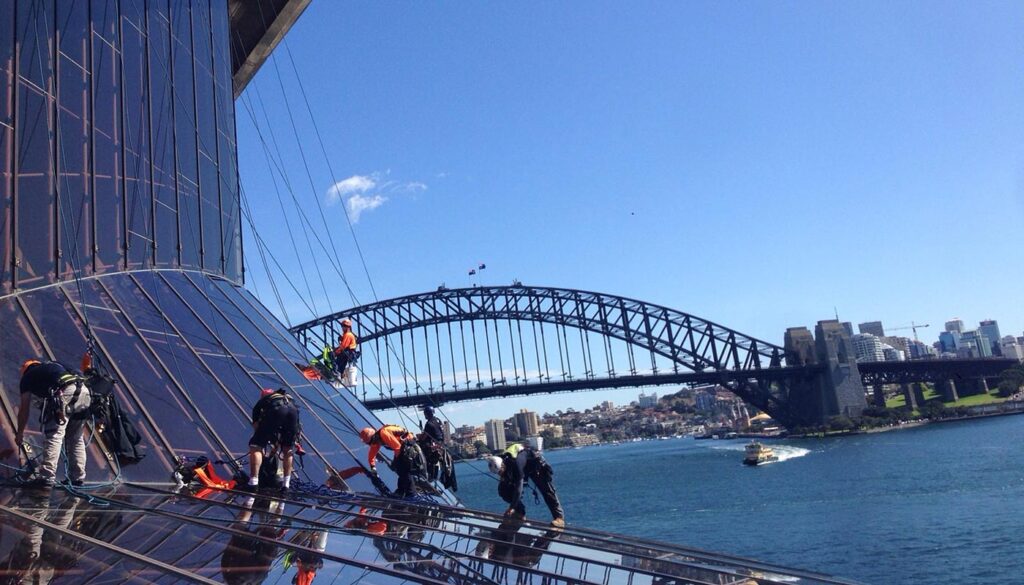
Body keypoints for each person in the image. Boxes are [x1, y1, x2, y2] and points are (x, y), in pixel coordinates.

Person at [14, 359, 92, 488]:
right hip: (84, 392)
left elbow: (24, 409)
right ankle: (77, 478)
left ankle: (46, 477)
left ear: (25, 369)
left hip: (65, 391)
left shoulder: (28, 377)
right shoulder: (55, 365)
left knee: (54, 434)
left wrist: (20, 433)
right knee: (76, 438)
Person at [488, 443, 565, 528]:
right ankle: (520, 512)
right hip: (523, 467)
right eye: (498, 473)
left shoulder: (516, 464)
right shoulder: (501, 460)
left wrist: (511, 508)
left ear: (503, 466)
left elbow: (518, 490)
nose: (500, 474)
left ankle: (559, 518)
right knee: (503, 490)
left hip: (534, 465)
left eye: (500, 472)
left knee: (546, 490)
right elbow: (505, 485)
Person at [246, 388, 299, 491]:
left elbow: (256, 418)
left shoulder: (267, 400)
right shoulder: (289, 399)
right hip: (293, 413)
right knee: (288, 450)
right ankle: (286, 485)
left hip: (277, 411)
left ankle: (253, 482)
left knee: (256, 446)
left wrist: (260, 435)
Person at [359, 424, 426, 497]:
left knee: (404, 468)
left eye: (370, 442)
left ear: (374, 437)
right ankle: (401, 491)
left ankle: (411, 494)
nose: (371, 444)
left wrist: (395, 461)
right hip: (403, 446)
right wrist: (373, 469)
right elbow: (371, 456)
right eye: (369, 443)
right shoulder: (376, 441)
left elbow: (398, 448)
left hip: (409, 444)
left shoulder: (383, 433)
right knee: (399, 468)